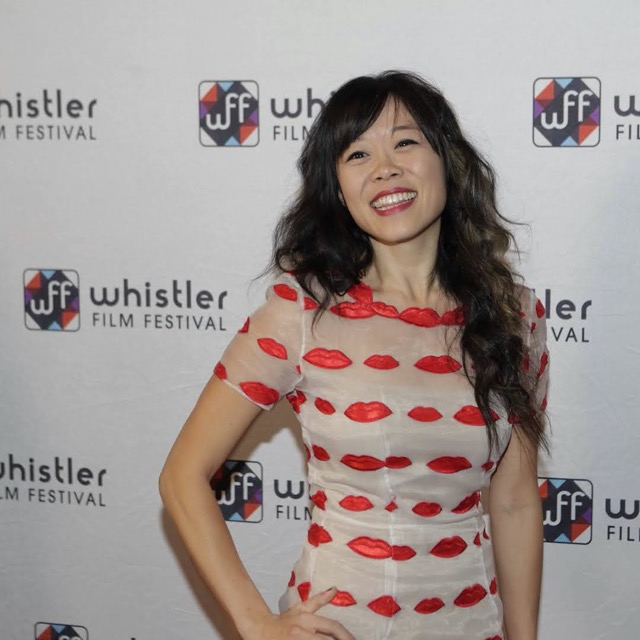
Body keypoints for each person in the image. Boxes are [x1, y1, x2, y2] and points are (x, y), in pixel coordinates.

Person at [159, 70, 550, 640]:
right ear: (338, 188)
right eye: (358, 153)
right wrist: (255, 623)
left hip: (471, 625)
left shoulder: (514, 317)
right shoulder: (300, 312)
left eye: (406, 142)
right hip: (340, 625)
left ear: (447, 161)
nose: (384, 167)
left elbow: (514, 503)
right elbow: (182, 476)